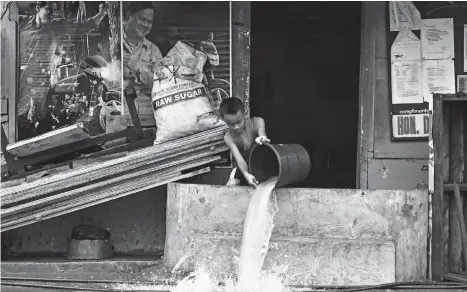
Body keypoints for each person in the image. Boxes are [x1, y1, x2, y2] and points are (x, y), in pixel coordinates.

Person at [220, 97, 271, 188]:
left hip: (262, 164)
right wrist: (246, 174)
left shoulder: (258, 122)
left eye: (239, 122)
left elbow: (263, 137)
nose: (236, 127)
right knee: (232, 184)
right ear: (224, 121)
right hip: (245, 166)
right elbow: (239, 159)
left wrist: (261, 140)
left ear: (245, 113)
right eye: (230, 124)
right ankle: (234, 175)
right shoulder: (228, 137)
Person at [122, 2, 163, 89]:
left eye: (149, 22)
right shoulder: (113, 43)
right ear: (129, 15)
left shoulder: (154, 51)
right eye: (141, 19)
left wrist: (139, 69)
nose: (145, 25)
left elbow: (162, 83)